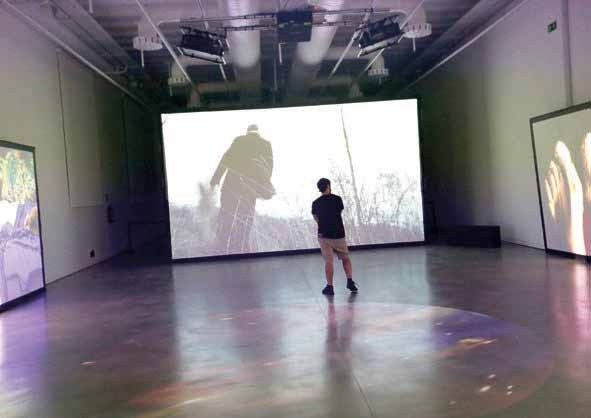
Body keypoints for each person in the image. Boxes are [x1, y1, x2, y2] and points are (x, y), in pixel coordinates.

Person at [210, 124, 274, 254]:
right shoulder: (266, 144)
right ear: (258, 132)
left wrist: (215, 180)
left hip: (231, 186)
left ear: (247, 131)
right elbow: (269, 168)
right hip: (250, 189)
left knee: (225, 216)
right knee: (245, 219)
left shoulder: (239, 140)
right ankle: (241, 248)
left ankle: (221, 248)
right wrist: (262, 186)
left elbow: (225, 160)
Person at [311, 178, 357, 295]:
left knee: (329, 261)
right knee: (345, 258)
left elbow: (316, 218)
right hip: (338, 233)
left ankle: (330, 287)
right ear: (328, 186)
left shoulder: (315, 203)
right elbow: (339, 213)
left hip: (324, 235)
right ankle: (350, 281)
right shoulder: (337, 199)